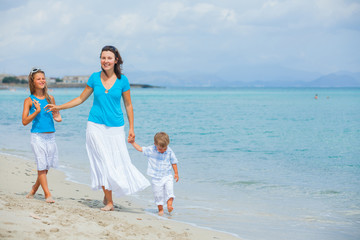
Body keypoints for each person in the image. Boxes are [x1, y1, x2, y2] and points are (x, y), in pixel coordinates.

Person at [45, 45, 150, 211]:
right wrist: (59, 107)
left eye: (109, 58)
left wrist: (132, 128)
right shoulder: (94, 77)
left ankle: (107, 192)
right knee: (102, 162)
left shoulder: (123, 81)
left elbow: (128, 105)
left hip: (116, 128)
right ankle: (109, 202)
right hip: (95, 126)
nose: (106, 61)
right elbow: (80, 99)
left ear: (116, 60)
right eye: (103, 57)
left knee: (117, 163)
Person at [22, 68, 62, 203]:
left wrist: (57, 116)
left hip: (51, 137)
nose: (42, 81)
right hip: (37, 136)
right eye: (38, 79)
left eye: (43, 78)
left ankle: (34, 189)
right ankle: (47, 194)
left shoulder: (51, 98)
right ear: (33, 82)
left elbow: (56, 116)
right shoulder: (29, 100)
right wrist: (37, 111)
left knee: (46, 166)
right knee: (41, 165)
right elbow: (24, 121)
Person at [130, 132, 179, 215]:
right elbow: (140, 149)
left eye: (165, 148)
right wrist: (132, 142)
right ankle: (161, 210)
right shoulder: (151, 149)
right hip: (156, 178)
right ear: (155, 144)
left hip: (167, 176)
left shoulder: (169, 151)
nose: (163, 151)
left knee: (170, 191)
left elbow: (174, 162)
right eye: (160, 149)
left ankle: (169, 205)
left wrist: (176, 173)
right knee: (158, 195)